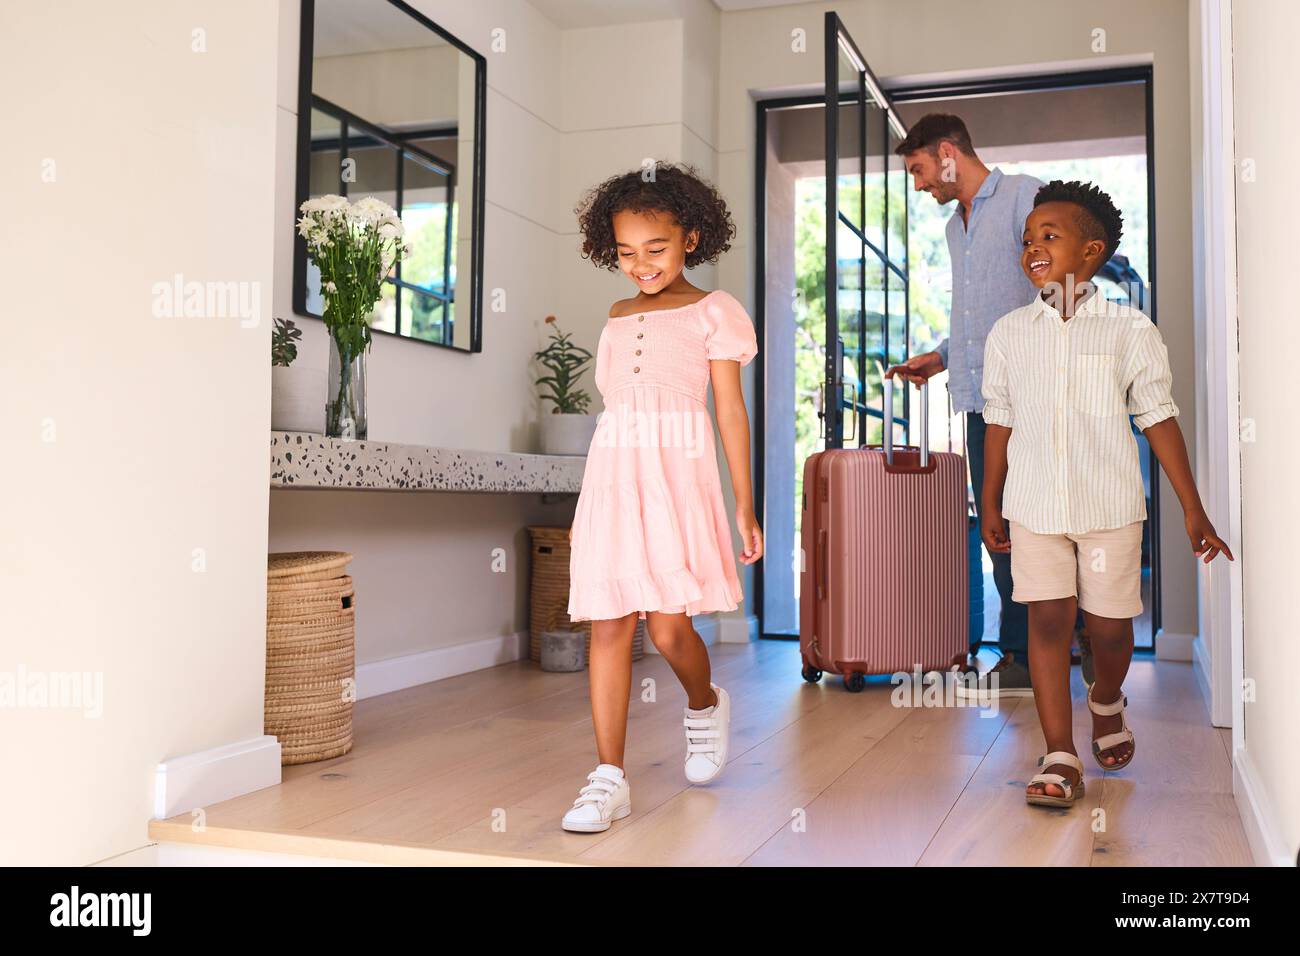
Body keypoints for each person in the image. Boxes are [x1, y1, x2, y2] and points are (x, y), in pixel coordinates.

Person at [980, 180, 1233, 807]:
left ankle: (1106, 699)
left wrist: (1192, 508)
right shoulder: (1009, 333)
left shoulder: (1130, 330)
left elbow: (1158, 418)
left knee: (1110, 628)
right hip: (1034, 504)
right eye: (1027, 238)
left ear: (1091, 251)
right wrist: (989, 500)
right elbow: (998, 422)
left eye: (1049, 236)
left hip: (1109, 507)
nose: (1033, 247)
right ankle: (1061, 754)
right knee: (1046, 618)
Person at [561, 161, 764, 833]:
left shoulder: (715, 311)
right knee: (610, 621)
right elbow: (615, 408)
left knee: (670, 627)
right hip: (615, 478)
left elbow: (729, 412)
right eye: (625, 253)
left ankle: (704, 706)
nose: (641, 265)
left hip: (679, 473)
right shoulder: (617, 317)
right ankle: (608, 778)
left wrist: (744, 503)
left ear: (692, 239)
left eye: (657, 249)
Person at [884, 113, 1042, 696]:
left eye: (921, 170)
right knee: (998, 528)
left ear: (948, 152)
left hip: (1032, 399)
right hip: (979, 401)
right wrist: (943, 356)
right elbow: (985, 311)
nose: (920, 184)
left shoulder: (1025, 196)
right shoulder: (957, 228)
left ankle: (1058, 647)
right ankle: (1021, 656)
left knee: (1044, 526)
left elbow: (1060, 285)